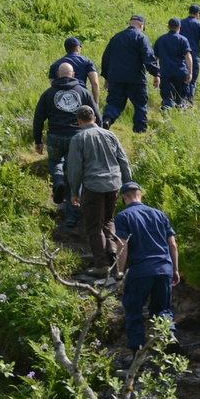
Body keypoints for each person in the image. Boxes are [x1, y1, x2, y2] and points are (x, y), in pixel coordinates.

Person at [114, 182, 179, 353]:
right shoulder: (159, 214)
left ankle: (137, 347)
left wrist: (119, 274)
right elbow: (172, 244)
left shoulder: (122, 217)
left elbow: (122, 246)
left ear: (124, 198)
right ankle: (168, 335)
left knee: (133, 306)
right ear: (140, 195)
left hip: (141, 270)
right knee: (162, 308)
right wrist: (175, 270)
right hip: (164, 268)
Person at [33, 64, 101, 228]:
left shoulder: (48, 93)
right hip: (77, 138)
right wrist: (101, 137)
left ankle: (57, 181)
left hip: (55, 135)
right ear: (73, 74)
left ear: (57, 75)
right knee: (74, 175)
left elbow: (38, 118)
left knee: (55, 161)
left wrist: (38, 140)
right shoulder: (83, 92)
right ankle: (71, 217)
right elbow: (96, 115)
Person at [66, 105, 132, 273]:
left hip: (94, 186)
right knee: (109, 221)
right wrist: (128, 186)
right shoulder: (110, 135)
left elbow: (75, 169)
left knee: (94, 226)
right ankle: (112, 255)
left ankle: (101, 264)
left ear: (79, 121)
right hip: (113, 185)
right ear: (95, 118)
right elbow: (124, 162)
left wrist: (74, 192)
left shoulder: (78, 139)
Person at [101, 15, 160, 134]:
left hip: (116, 78)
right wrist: (156, 74)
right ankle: (140, 131)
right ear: (141, 25)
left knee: (114, 103)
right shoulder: (142, 38)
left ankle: (107, 120)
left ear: (130, 23)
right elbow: (148, 58)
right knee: (140, 105)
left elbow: (106, 58)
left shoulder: (116, 37)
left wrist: (106, 77)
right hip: (136, 79)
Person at [154, 19, 193, 109]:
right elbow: (188, 56)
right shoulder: (183, 40)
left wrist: (156, 74)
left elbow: (155, 58)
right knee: (181, 97)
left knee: (167, 96)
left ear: (168, 27)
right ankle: (179, 114)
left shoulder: (160, 40)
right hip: (180, 72)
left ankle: (167, 113)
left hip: (165, 73)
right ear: (179, 27)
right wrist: (190, 73)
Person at [48, 37, 99, 102]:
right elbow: (95, 83)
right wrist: (96, 103)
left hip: (62, 97)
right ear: (77, 48)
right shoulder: (87, 62)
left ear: (66, 49)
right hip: (82, 95)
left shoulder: (55, 65)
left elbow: (53, 85)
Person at [179, 5, 200, 102]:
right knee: (191, 80)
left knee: (181, 79)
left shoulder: (180, 23)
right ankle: (189, 101)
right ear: (197, 14)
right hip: (193, 55)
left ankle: (179, 100)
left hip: (180, 56)